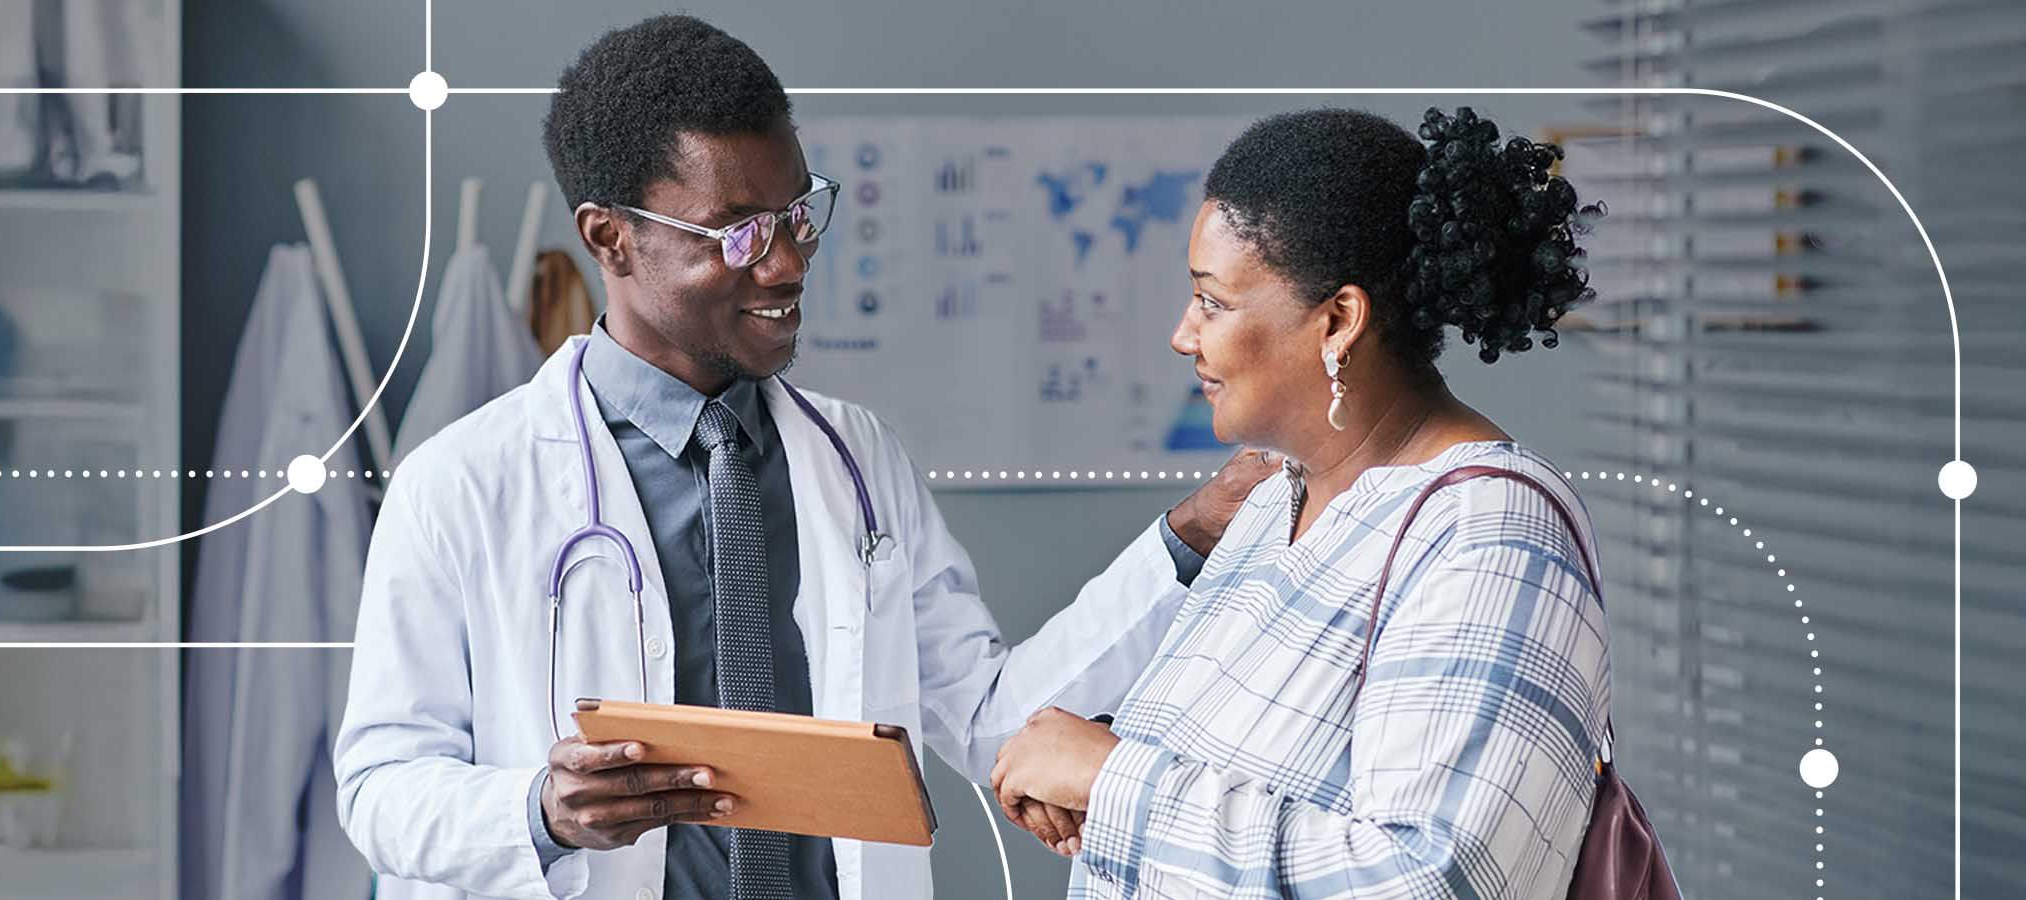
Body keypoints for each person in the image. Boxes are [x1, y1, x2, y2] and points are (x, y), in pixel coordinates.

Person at [331, 15, 1271, 900]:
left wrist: (1185, 538)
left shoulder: (854, 456)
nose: (784, 262)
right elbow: (379, 789)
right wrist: (539, 812)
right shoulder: (460, 484)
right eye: (737, 232)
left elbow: (988, 714)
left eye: (797, 214)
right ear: (609, 238)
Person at [988, 106, 1612, 899]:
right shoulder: (1274, 503)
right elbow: (1269, 772)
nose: (1185, 335)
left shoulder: (1491, 535)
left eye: (1212, 301)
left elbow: (1430, 879)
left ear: (1338, 321)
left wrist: (1116, 782)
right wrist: (1092, 784)